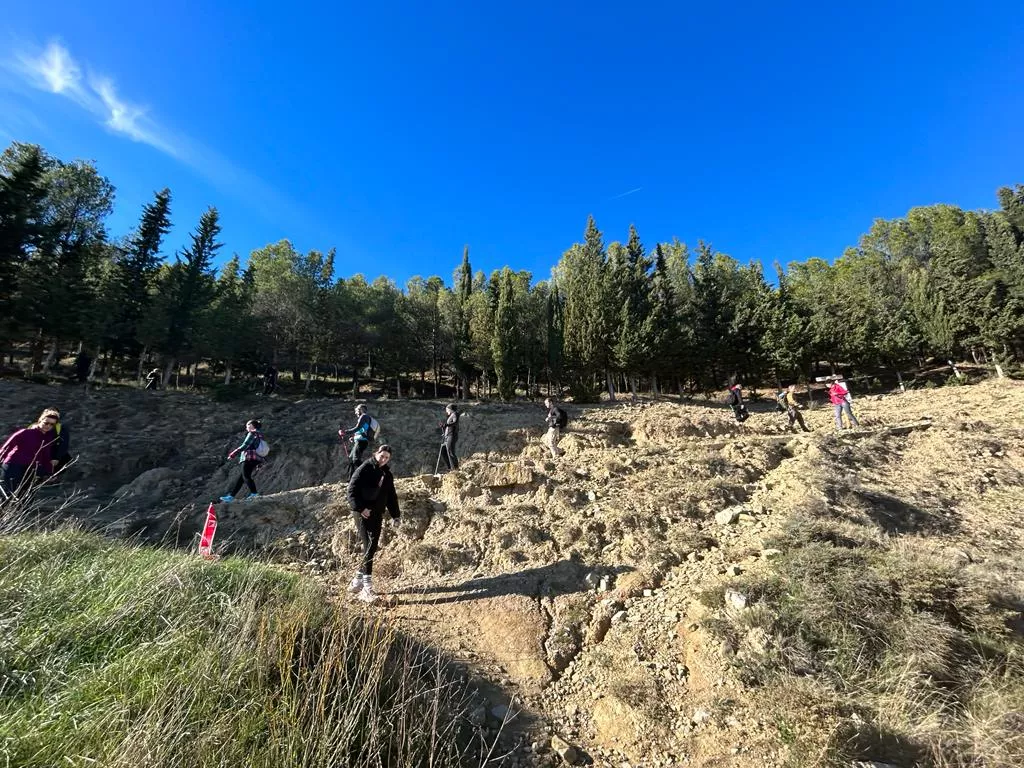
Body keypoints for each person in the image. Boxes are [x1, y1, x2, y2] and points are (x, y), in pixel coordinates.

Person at [346, 444, 401, 603]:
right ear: (376, 453)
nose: (383, 459)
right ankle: (367, 587)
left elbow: (391, 496)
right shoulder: (365, 468)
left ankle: (357, 581)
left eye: (387, 458)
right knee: (369, 545)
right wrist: (361, 508)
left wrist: (395, 515)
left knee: (372, 546)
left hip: (377, 514)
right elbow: (351, 490)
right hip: (362, 514)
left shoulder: (387, 474)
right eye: (382, 456)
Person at [0, 409, 58, 499]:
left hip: (30, 468)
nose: (48, 426)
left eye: (52, 424)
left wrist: (49, 472)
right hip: (13, 464)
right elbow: (6, 447)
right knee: (10, 495)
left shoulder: (48, 438)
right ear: (40, 420)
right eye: (46, 423)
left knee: (26, 496)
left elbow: (45, 456)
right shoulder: (25, 433)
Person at [220, 419, 266, 503]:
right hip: (256, 458)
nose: (246, 428)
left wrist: (232, 454)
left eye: (247, 426)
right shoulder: (260, 434)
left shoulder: (252, 433)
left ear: (251, 425)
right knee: (241, 478)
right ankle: (231, 496)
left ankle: (254, 494)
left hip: (249, 457)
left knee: (246, 477)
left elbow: (245, 445)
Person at [339, 404, 377, 479]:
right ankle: (350, 479)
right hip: (360, 441)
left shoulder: (364, 416)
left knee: (356, 460)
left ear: (361, 409)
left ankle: (371, 473)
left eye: (356, 410)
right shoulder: (365, 418)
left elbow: (357, 427)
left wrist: (345, 432)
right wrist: (354, 437)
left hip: (361, 442)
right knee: (351, 459)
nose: (355, 412)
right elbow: (362, 430)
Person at [440, 403, 459, 471]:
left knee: (450, 452)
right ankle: (449, 467)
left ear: (450, 409)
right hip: (448, 436)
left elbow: (455, 422)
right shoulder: (451, 415)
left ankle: (456, 468)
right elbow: (449, 426)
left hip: (452, 436)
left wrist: (446, 424)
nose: (446, 411)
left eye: (447, 410)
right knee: (444, 452)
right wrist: (444, 428)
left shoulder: (455, 414)